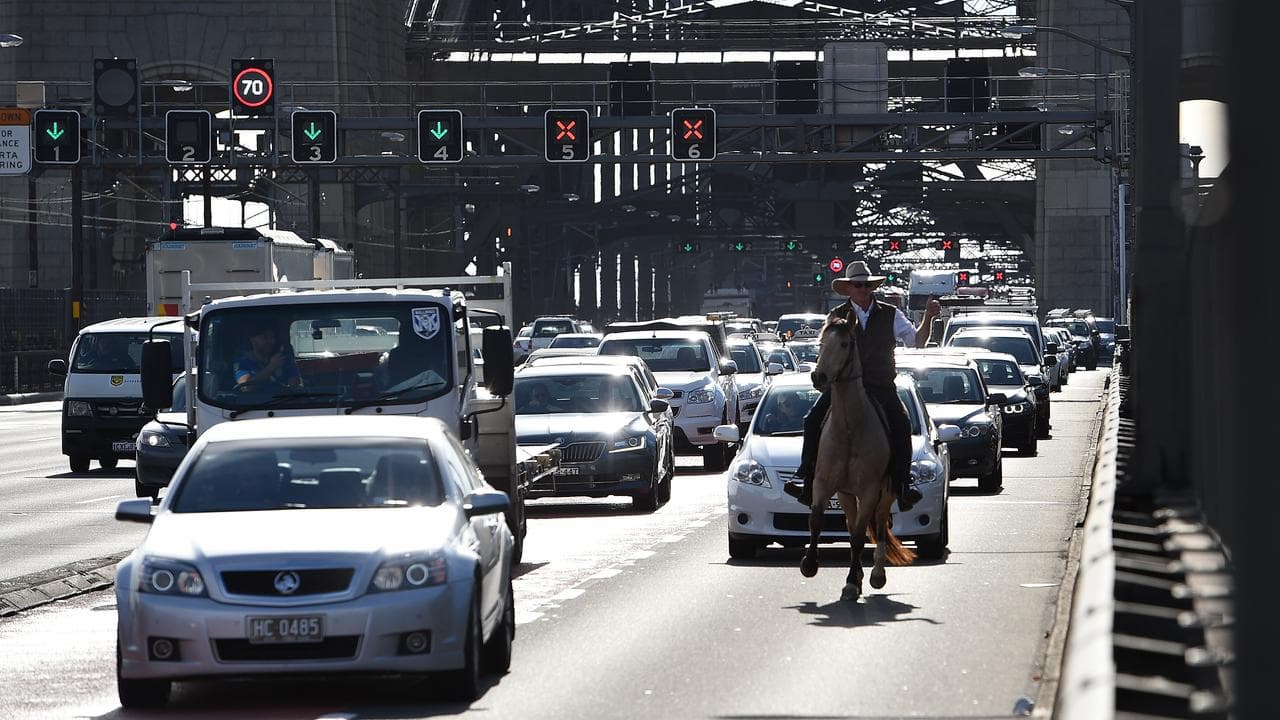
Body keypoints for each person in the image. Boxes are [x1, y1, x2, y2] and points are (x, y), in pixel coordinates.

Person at [783, 261, 940, 512]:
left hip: (880, 385)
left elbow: (917, 342)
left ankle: (903, 483)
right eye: (858, 285)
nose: (863, 289)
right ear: (848, 288)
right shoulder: (835, 316)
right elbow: (826, 351)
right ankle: (805, 477)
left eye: (866, 285)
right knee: (811, 419)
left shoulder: (890, 314)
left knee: (902, 423)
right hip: (843, 388)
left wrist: (929, 318)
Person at [234, 321, 301, 390]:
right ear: (253, 340)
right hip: (255, 400)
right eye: (265, 338)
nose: (270, 341)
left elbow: (295, 386)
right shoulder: (243, 362)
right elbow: (245, 387)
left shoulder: (283, 359)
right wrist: (271, 367)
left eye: (272, 337)